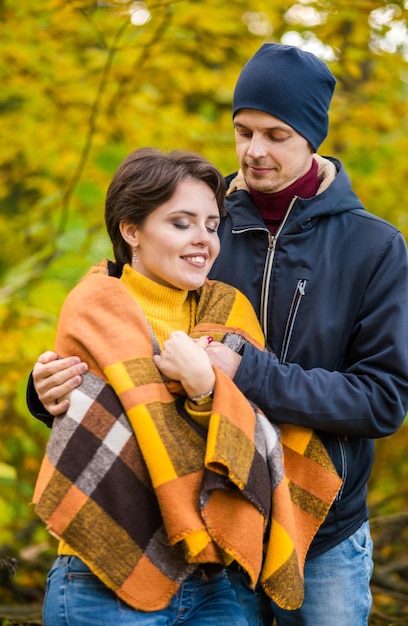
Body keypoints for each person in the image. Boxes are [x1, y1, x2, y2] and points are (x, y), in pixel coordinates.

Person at [28, 45, 408, 626]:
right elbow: (117, 322)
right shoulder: (201, 216)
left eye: (277, 134)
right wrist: (49, 388)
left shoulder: (374, 247)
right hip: (212, 520)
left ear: (312, 138)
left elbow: (384, 401)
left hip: (324, 526)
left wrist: (243, 372)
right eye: (243, 130)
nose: (254, 151)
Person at [30, 146, 341, 626]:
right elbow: (87, 416)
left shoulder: (229, 313)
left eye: (212, 225)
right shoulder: (94, 309)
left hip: (217, 579)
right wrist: (44, 393)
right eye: (181, 223)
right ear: (130, 230)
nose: (204, 240)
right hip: (104, 570)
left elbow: (264, 441)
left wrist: (205, 389)